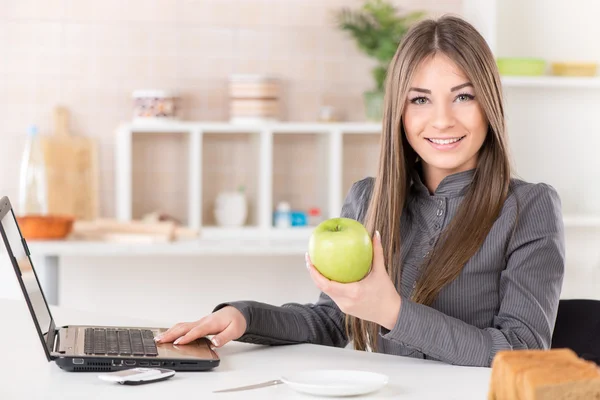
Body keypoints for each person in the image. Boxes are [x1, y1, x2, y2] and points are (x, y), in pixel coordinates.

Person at [154, 15, 565, 368]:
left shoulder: (530, 207)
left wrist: (392, 311)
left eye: (463, 96)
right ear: (398, 113)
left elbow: (522, 352)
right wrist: (243, 317)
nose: (441, 120)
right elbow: (333, 322)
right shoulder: (369, 199)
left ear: (489, 103)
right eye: (420, 99)